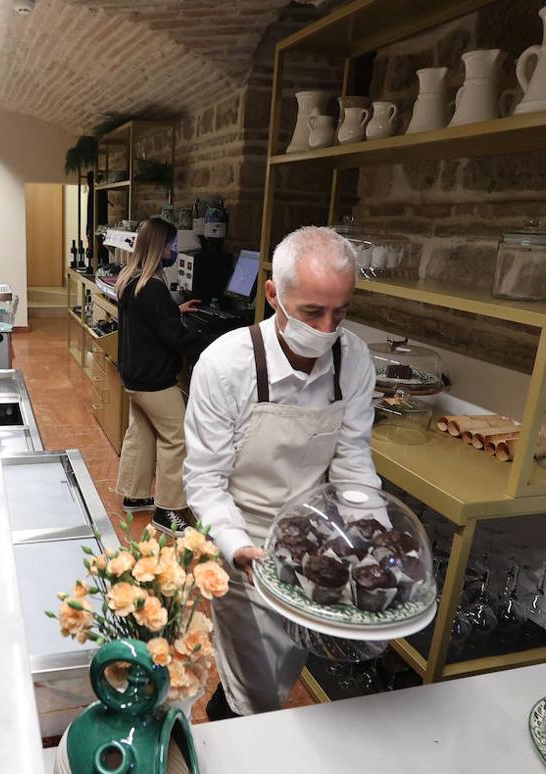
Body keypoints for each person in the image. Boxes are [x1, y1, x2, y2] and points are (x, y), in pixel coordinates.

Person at [183, 225, 380, 718]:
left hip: (312, 545)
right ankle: (229, 730)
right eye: (313, 312)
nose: (327, 328)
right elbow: (205, 480)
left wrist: (372, 540)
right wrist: (234, 546)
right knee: (255, 685)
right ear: (273, 294)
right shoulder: (226, 364)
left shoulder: (353, 359)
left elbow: (354, 466)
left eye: (341, 312)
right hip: (241, 537)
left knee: (287, 661)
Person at [114, 217, 204, 536]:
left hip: (133, 377)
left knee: (141, 432)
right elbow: (176, 339)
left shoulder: (131, 279)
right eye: (173, 245)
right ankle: (167, 512)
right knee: (176, 438)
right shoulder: (152, 287)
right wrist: (214, 339)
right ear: (158, 247)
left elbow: (149, 319)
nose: (175, 251)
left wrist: (174, 312)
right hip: (153, 380)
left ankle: (135, 496)